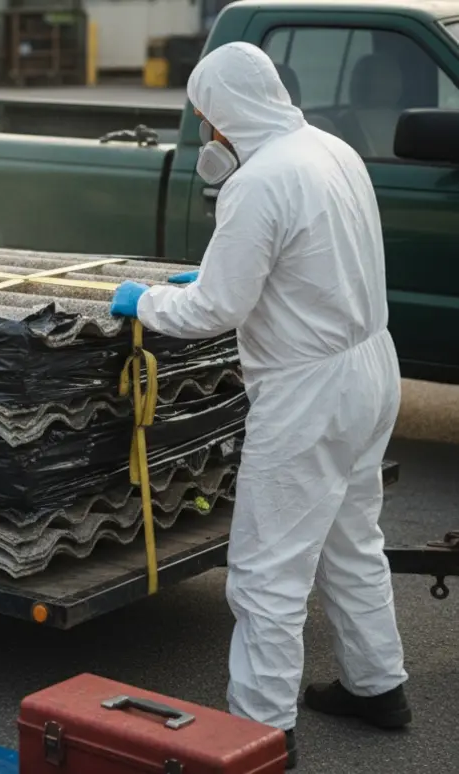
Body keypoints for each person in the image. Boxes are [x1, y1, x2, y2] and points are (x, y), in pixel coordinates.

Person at [109, 42, 409, 768]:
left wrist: (146, 301)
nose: (210, 136)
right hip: (371, 366)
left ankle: (260, 735)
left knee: (267, 570)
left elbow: (215, 308)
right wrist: (218, 270)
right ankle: (378, 688)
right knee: (351, 538)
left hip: (309, 392)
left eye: (209, 120)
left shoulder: (259, 182)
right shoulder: (331, 150)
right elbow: (310, 261)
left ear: (226, 115)